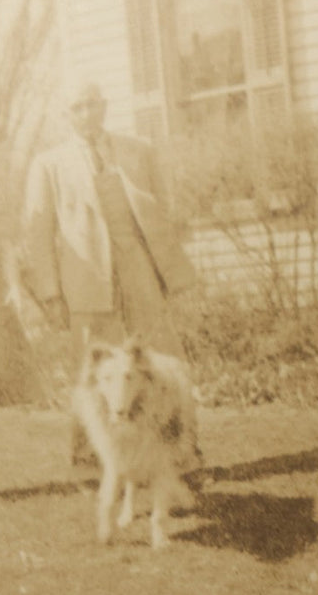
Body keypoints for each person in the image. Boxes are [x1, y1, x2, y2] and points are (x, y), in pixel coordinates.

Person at [22, 81, 198, 464]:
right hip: (85, 278)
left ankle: (180, 449)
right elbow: (37, 236)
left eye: (93, 105)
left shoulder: (138, 151)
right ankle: (88, 456)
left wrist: (166, 272)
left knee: (162, 359)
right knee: (91, 368)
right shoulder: (49, 164)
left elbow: (163, 211)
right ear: (67, 115)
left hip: (138, 267)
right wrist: (52, 294)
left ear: (104, 107)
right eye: (78, 107)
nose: (87, 114)